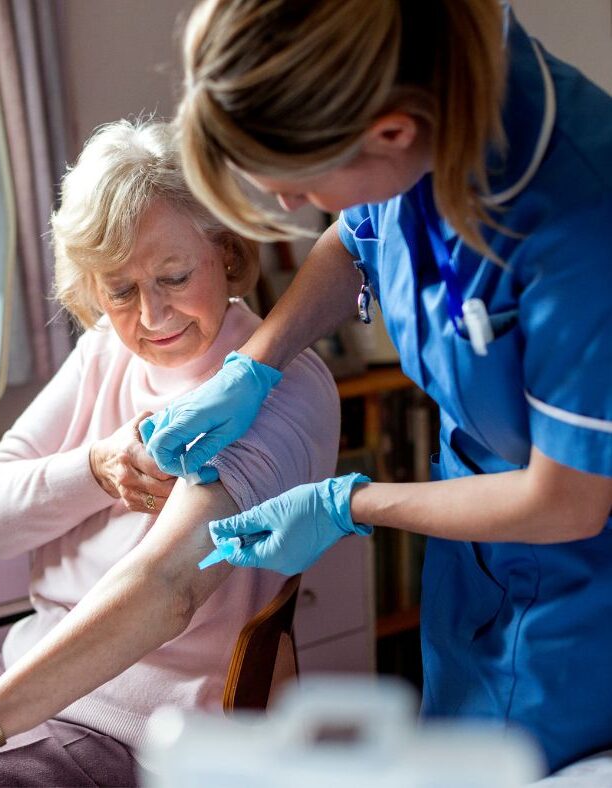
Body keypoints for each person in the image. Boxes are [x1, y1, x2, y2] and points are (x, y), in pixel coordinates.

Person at [141, 0, 612, 774]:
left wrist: (345, 504)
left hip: (580, 594)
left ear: (389, 132)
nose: (291, 209)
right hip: (476, 562)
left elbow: (565, 501)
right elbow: (357, 236)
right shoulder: (413, 93)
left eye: (297, 185)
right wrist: (254, 365)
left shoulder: (581, 223)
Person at [0, 120, 340, 786]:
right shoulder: (104, 351)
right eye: (120, 291)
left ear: (227, 254)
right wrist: (96, 467)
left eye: (174, 277)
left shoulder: (278, 390)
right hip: (18, 678)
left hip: (139, 729)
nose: (152, 318)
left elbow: (167, 588)